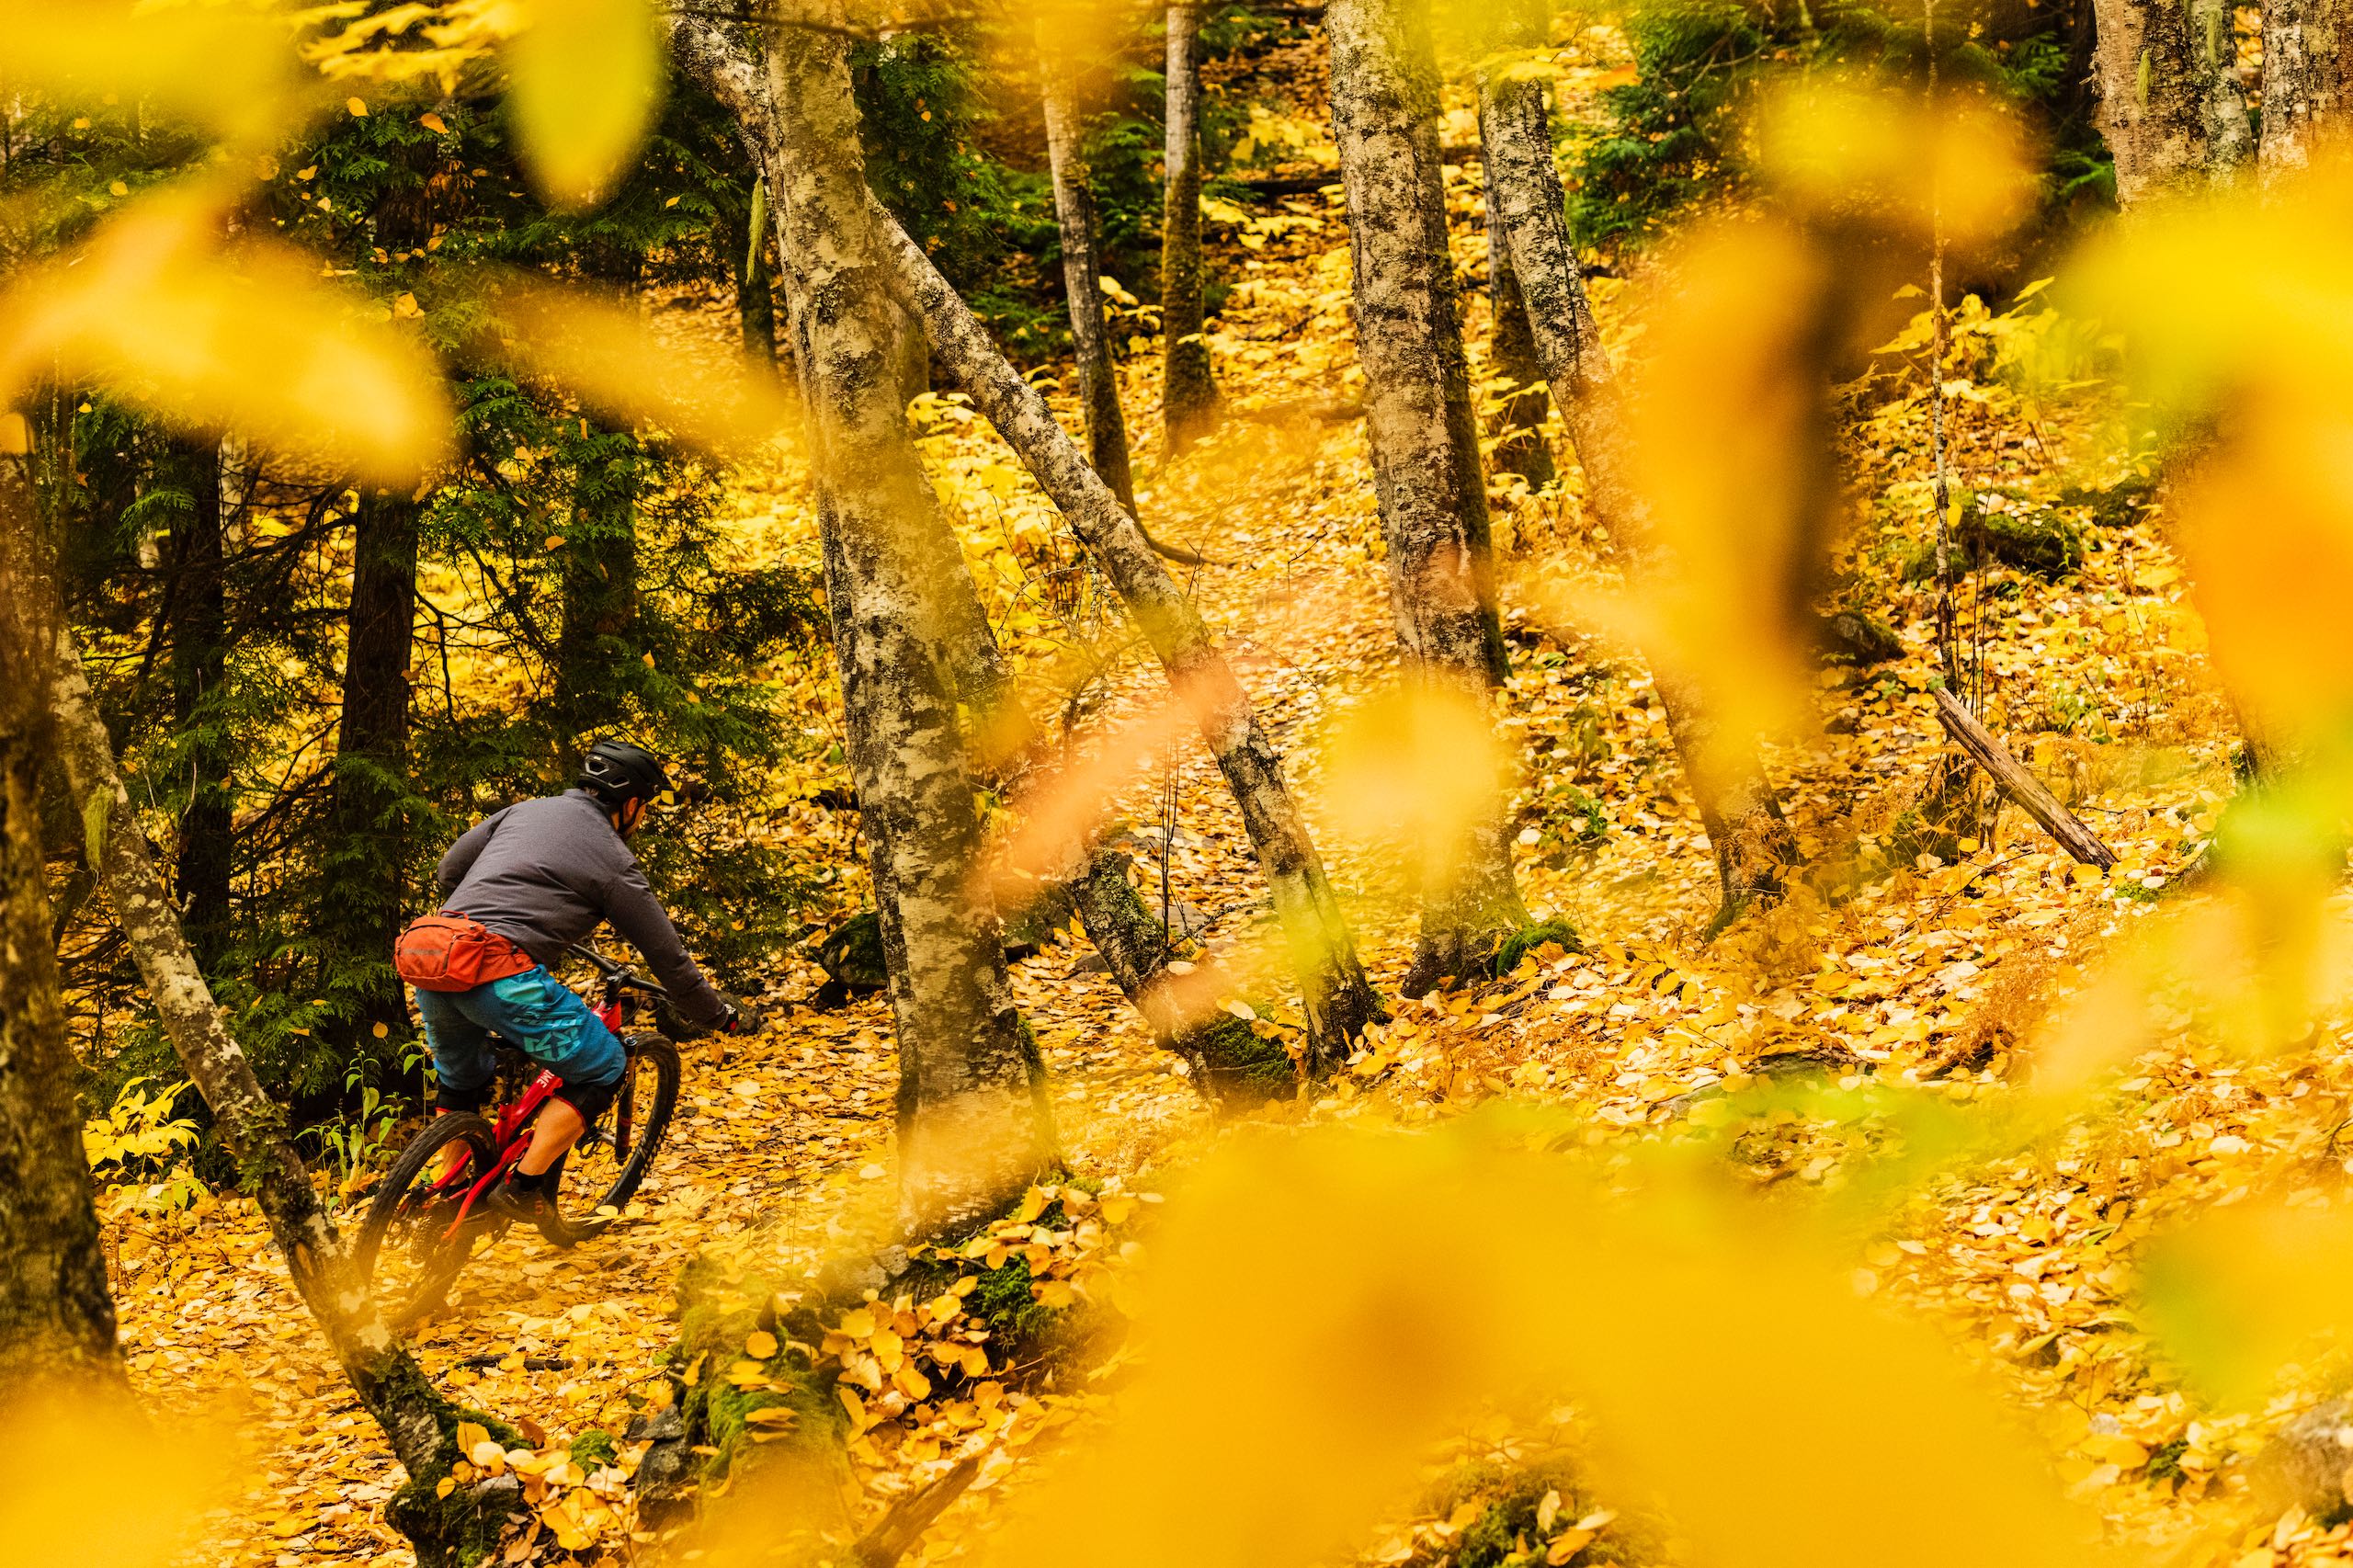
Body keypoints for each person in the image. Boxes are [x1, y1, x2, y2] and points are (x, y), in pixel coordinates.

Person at [408, 738, 756, 1236]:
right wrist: (716, 1015)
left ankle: (451, 1189)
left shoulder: (525, 810)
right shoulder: (613, 860)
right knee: (605, 1065)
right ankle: (525, 1188)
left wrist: (504, 914)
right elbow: (668, 959)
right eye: (645, 807)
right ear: (631, 804)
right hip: (498, 975)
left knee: (461, 1081)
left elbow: (450, 871)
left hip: (436, 959)